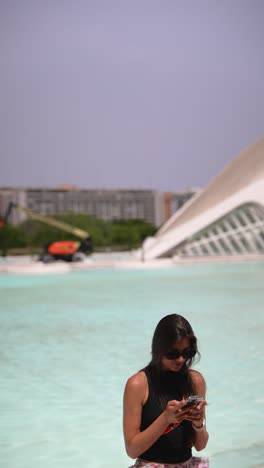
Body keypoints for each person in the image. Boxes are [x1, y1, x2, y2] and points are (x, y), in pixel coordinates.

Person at [123, 314, 209, 468]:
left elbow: (201, 445)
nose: (181, 360)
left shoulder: (196, 381)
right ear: (158, 350)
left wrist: (198, 423)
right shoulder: (138, 384)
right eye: (173, 354)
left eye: (186, 353)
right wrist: (165, 419)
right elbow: (131, 450)